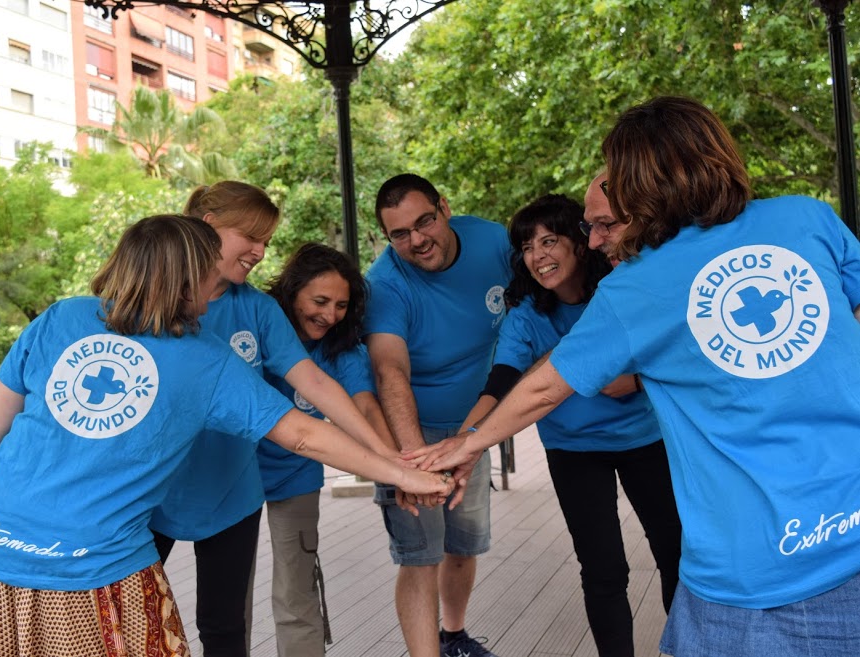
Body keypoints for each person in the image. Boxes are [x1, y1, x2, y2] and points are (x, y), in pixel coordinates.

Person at [406, 96, 860, 657]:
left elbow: (546, 387)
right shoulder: (806, 216)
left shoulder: (638, 285)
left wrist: (466, 445)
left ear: (650, 182)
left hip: (752, 579)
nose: (596, 239)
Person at [0, 214, 452, 657]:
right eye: (209, 271)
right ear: (182, 279)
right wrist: (402, 472)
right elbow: (302, 434)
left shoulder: (62, 317)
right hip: (93, 572)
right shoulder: (205, 359)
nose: (220, 282)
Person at [149, 183, 401, 657]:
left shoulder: (258, 309)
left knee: (225, 623)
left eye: (267, 240)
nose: (262, 251)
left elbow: (317, 387)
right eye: (253, 237)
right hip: (157, 487)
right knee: (133, 610)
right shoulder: (153, 298)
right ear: (208, 228)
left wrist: (388, 457)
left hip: (237, 489)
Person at [458, 194, 681, 656]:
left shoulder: (621, 290)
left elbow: (678, 349)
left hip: (644, 441)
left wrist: (637, 379)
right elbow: (502, 383)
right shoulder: (525, 316)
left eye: (550, 241)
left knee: (675, 555)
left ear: (582, 244)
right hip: (573, 451)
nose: (537, 256)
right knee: (603, 572)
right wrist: (463, 444)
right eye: (527, 246)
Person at [364, 173, 511, 657]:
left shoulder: (492, 240)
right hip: (413, 432)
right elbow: (390, 372)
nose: (416, 240)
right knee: (419, 556)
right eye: (399, 234)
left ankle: (455, 636)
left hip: (473, 425)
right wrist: (409, 462)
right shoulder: (385, 283)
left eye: (424, 221)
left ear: (444, 207)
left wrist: (477, 434)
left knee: (464, 546)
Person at [261, 242, 397, 656]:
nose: (329, 314)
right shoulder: (259, 326)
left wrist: (398, 467)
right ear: (291, 291)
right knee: (229, 593)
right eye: (319, 301)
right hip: (234, 476)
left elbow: (365, 407)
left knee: (296, 588)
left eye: (341, 305)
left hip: (295, 474)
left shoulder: (343, 348)